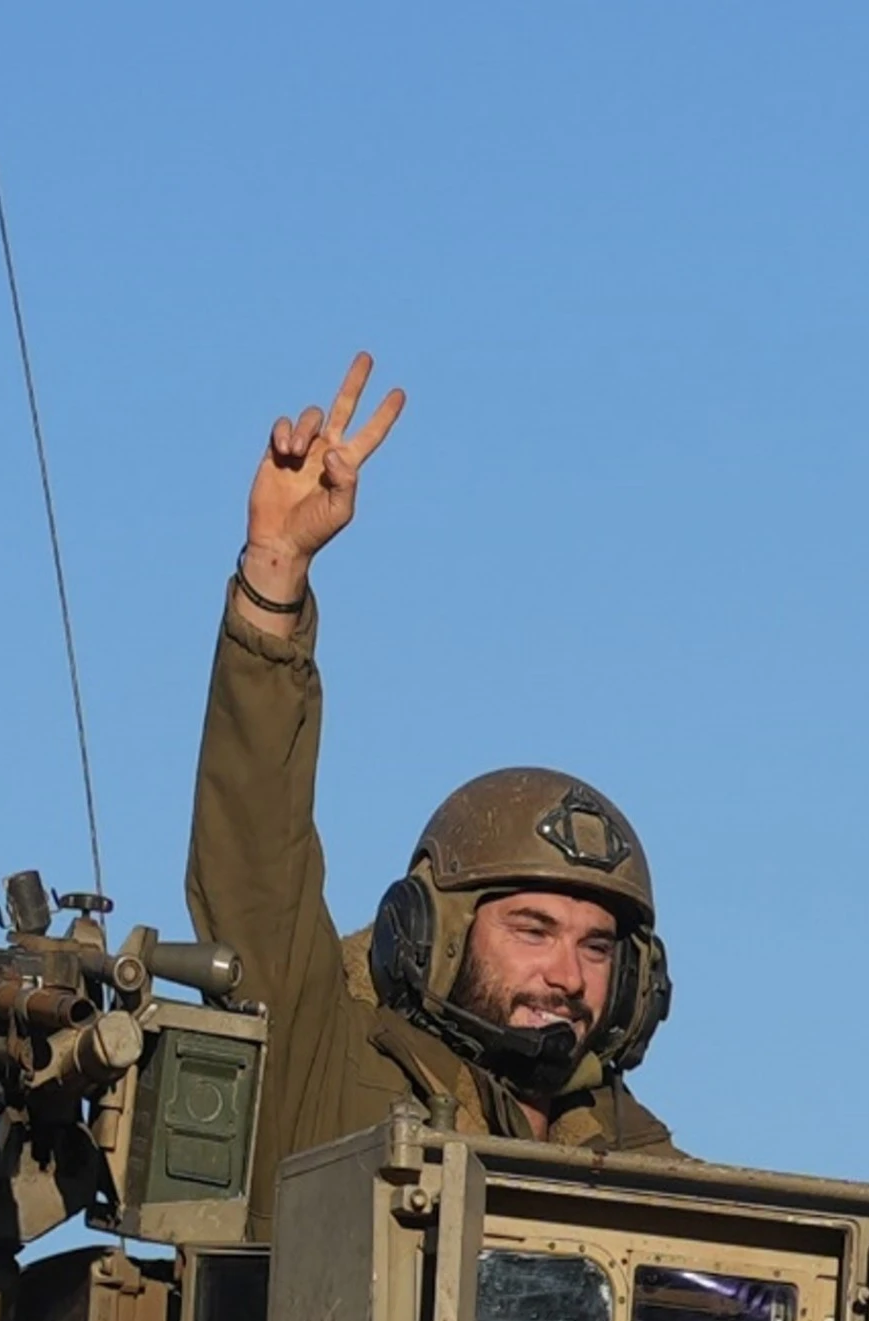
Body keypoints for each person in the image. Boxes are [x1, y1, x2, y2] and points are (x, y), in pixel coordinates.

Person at [186, 355, 676, 1235]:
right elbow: (255, 863)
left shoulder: (641, 1169)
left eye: (598, 948)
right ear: (436, 935)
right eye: (532, 929)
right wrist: (274, 575)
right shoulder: (327, 1069)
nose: (567, 976)